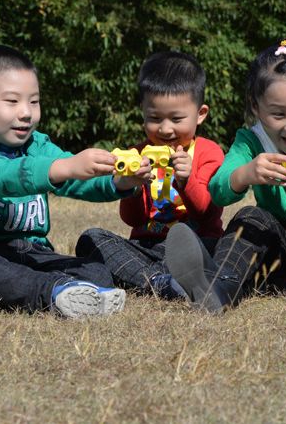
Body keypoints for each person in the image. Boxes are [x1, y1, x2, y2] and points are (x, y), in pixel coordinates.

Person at [0, 45, 141, 318]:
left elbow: (76, 181)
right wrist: (64, 166)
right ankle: (54, 292)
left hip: (26, 253)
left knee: (96, 270)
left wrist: (121, 182)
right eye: (12, 101)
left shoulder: (39, 146)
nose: (26, 112)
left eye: (34, 101)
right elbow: (2, 175)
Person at [163, 38, 286, 314]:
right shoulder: (251, 140)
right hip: (276, 240)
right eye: (278, 114)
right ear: (256, 106)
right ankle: (218, 288)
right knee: (250, 219)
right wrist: (246, 173)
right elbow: (218, 189)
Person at [75, 51, 224, 300]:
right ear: (143, 112)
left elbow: (206, 213)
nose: (165, 129)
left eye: (177, 119)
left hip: (197, 245)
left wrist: (186, 181)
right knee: (91, 239)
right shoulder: (137, 153)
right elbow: (133, 220)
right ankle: (162, 282)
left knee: (218, 247)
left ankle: (151, 277)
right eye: (154, 118)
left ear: (200, 114)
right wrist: (130, 186)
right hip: (148, 246)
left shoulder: (208, 153)